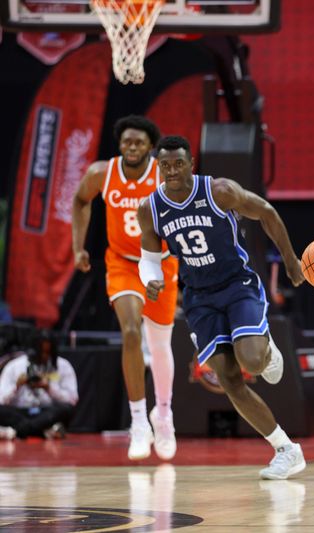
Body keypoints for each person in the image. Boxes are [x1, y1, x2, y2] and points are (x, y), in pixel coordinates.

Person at [137, 135, 307, 480]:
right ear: (159, 167)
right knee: (229, 380)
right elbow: (150, 259)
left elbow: (267, 213)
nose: (172, 170)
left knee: (251, 361)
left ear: (190, 164)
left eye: (178, 163)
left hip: (236, 286)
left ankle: (268, 350)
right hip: (199, 297)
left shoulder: (219, 191)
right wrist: (151, 279)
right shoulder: (150, 208)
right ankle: (287, 450)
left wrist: (290, 261)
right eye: (165, 165)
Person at [72, 115, 179, 461]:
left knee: (160, 346)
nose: (132, 147)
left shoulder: (164, 176)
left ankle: (163, 415)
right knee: (131, 332)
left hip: (161, 263)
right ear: (120, 145)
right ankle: (138, 423)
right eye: (127, 142)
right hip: (121, 263)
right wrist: (78, 246)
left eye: (139, 142)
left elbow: (182, 215)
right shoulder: (102, 173)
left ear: (151, 147)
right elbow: (80, 201)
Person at [0, 330, 78, 440]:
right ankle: (43, 431)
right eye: (41, 352)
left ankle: (19, 431)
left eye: (48, 352)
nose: (44, 356)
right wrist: (16, 387)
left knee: (67, 409)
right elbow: (1, 400)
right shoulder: (14, 366)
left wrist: (48, 388)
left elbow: (72, 400)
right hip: (20, 412)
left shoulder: (63, 366)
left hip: (46, 413)